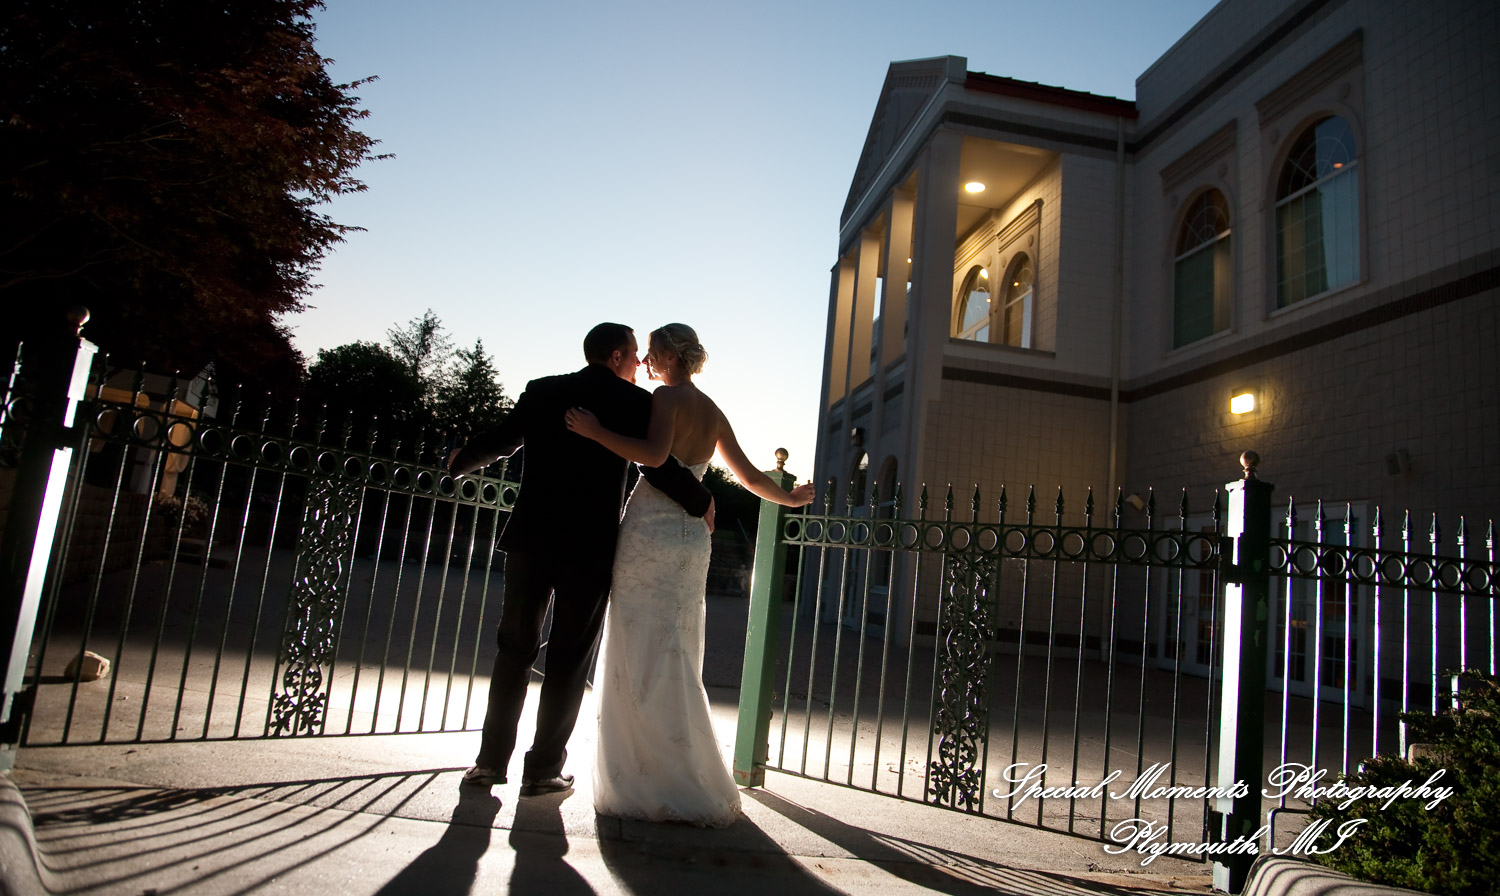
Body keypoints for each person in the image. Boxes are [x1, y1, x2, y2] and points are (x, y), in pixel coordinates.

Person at [447, 322, 714, 801]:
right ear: (614, 356)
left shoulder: (544, 391)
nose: (639, 363)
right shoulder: (635, 404)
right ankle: (542, 771)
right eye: (633, 354)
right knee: (568, 659)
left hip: (531, 541)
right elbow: (657, 464)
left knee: (514, 649)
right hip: (588, 551)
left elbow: (503, 440)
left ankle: (488, 764)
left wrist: (458, 462)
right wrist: (701, 500)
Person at [564, 323, 815, 826]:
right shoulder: (712, 409)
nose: (649, 360)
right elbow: (747, 475)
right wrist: (788, 497)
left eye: (652, 352)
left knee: (637, 640)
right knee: (675, 640)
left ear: (668, 357)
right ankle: (683, 767)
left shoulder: (666, 398)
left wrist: (596, 432)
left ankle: (641, 774)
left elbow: (654, 458)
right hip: (691, 537)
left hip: (651, 527)